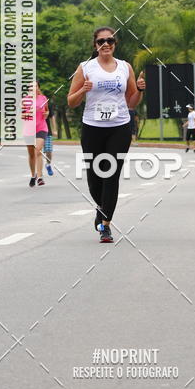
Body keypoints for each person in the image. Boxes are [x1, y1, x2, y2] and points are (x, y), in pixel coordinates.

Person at [67, 27, 145, 243]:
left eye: (110, 40)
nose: (106, 44)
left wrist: (139, 90)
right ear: (95, 45)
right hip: (92, 127)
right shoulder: (85, 68)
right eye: (101, 41)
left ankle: (106, 225)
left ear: (115, 44)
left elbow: (131, 102)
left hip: (119, 127)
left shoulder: (124, 67)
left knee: (111, 176)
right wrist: (83, 90)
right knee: (94, 180)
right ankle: (101, 209)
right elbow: (71, 101)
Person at [22, 83, 49, 187]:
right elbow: (22, 115)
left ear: (38, 88)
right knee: (31, 154)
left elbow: (47, 111)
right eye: (30, 87)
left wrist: (47, 114)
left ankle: (40, 177)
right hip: (28, 129)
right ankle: (33, 175)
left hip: (41, 127)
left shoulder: (43, 98)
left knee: (37, 150)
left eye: (35, 86)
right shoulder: (25, 100)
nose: (33, 88)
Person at [44, 96, 57, 177]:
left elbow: (52, 117)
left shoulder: (46, 102)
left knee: (48, 150)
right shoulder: (29, 103)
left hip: (47, 131)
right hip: (35, 132)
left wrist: (54, 129)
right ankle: (36, 173)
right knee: (37, 152)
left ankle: (48, 165)